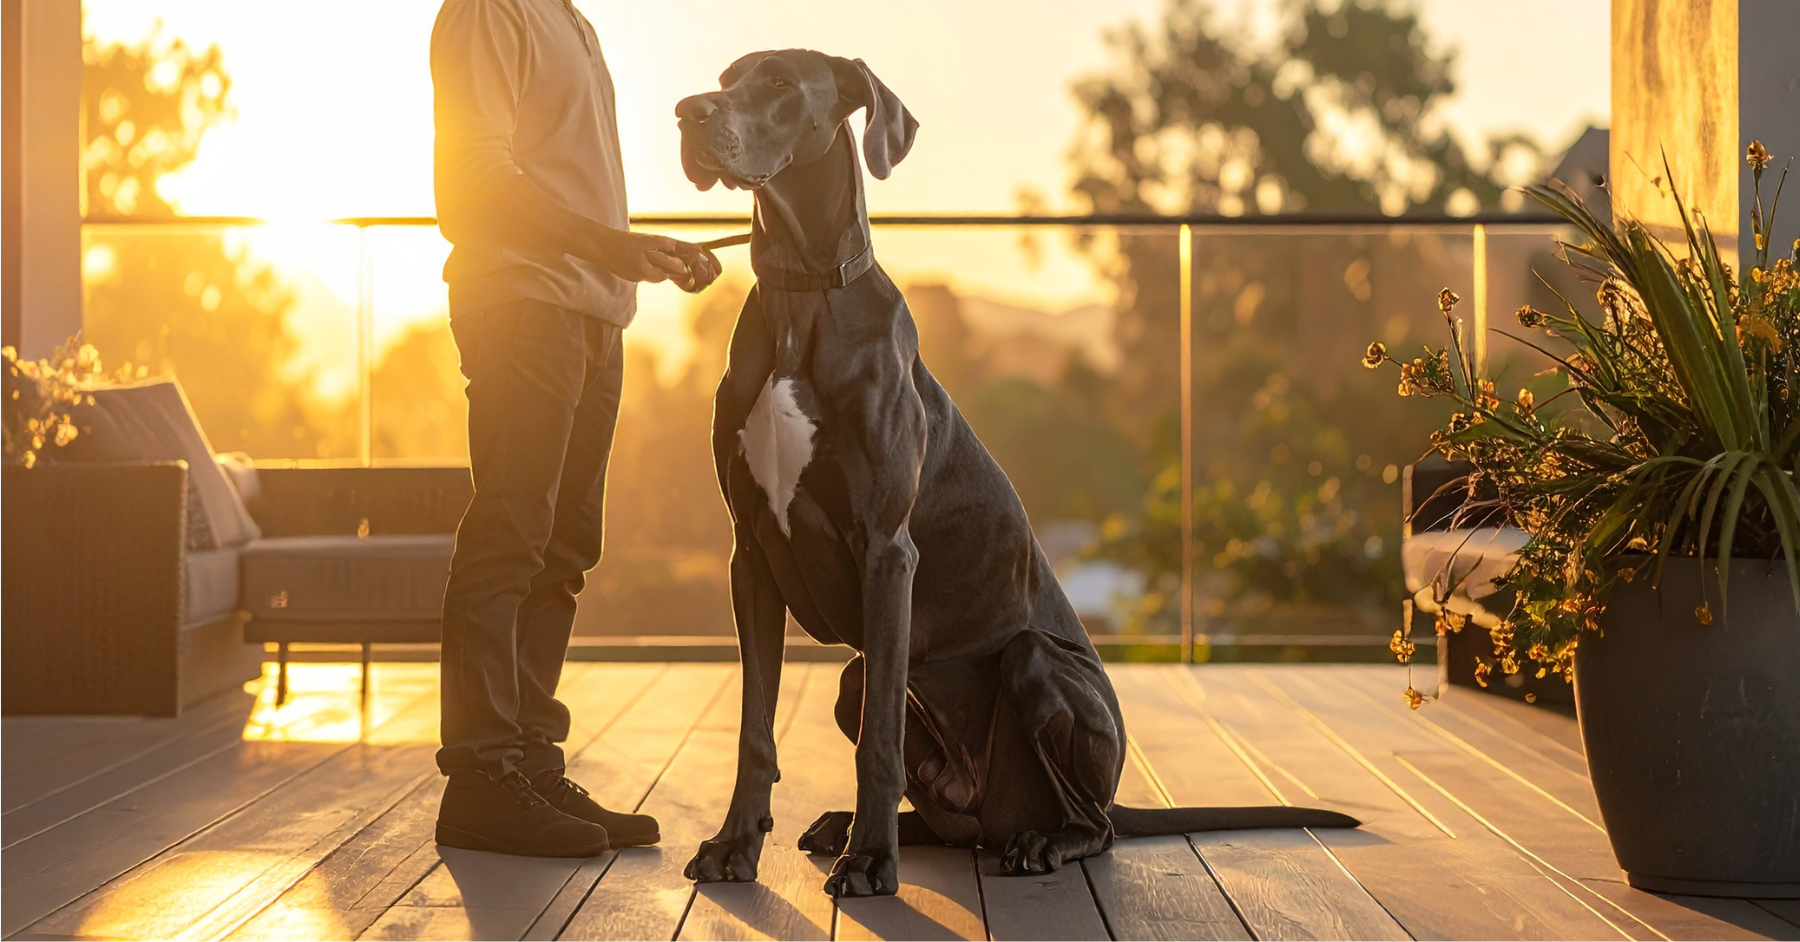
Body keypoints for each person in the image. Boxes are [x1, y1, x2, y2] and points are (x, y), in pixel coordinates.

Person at [429, 0, 720, 858]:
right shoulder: (491, 11)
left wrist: (633, 252)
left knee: (563, 549)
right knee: (510, 534)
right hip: (523, 305)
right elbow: (471, 184)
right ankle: (480, 782)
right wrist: (609, 247)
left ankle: (527, 764)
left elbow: (564, 181)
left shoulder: (572, 21)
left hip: (593, 314)